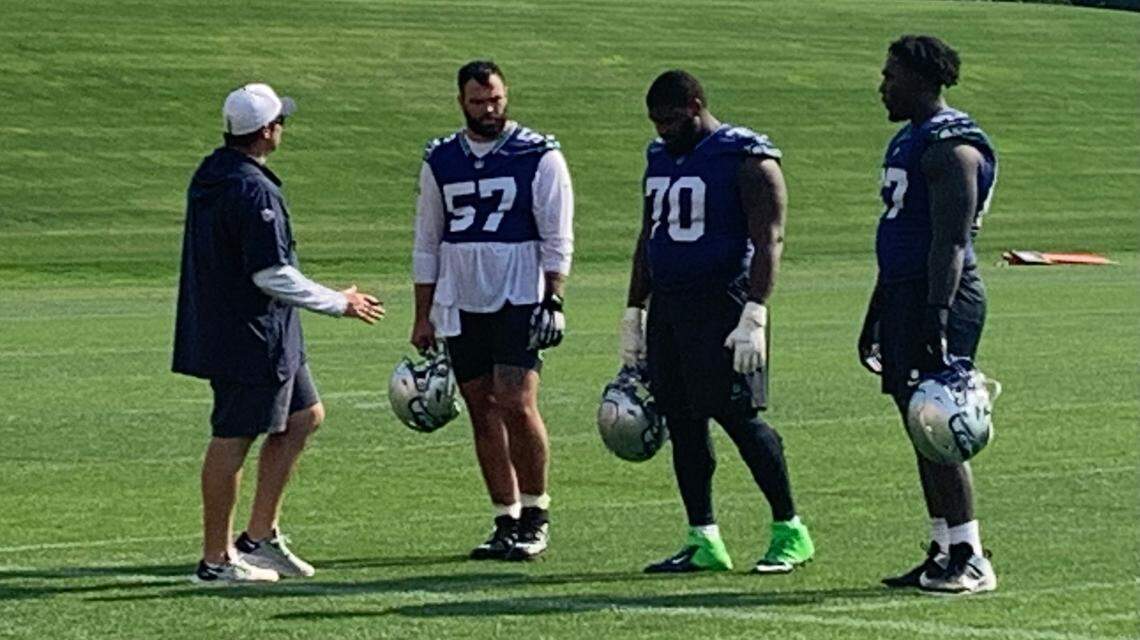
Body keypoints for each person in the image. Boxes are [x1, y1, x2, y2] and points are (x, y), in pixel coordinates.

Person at [173, 83, 384, 584]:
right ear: (267, 131)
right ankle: (216, 560)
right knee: (233, 437)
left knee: (304, 415)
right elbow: (270, 273)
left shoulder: (215, 171)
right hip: (249, 335)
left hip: (262, 329)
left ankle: (259, 536)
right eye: (280, 122)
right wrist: (340, 302)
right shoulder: (252, 189)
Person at [621, 70, 814, 575]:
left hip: (724, 304)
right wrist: (633, 310)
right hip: (670, 304)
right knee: (682, 421)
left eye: (671, 120)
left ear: (697, 104)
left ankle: (790, 529)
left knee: (738, 416)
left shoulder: (745, 155)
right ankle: (703, 537)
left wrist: (755, 312)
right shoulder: (658, 156)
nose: (663, 130)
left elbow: (769, 238)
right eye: (656, 122)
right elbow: (649, 235)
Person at [410, 61, 573, 561]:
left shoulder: (538, 153)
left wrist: (554, 296)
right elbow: (427, 238)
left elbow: (557, 232)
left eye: (496, 99)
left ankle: (536, 512)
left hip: (518, 291)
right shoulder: (441, 158)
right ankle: (505, 517)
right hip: (461, 295)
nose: (489, 109)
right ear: (462, 101)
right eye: (479, 101)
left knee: (516, 401)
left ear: (507, 96)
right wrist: (423, 313)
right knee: (480, 407)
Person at [862, 35, 999, 595]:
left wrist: (936, 315)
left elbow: (948, 242)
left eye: (892, 74)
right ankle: (943, 547)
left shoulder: (952, 147)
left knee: (941, 421)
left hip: (940, 295)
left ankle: (969, 555)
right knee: (921, 425)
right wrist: (876, 311)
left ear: (922, 79)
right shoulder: (908, 141)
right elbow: (898, 237)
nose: (883, 85)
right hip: (903, 291)